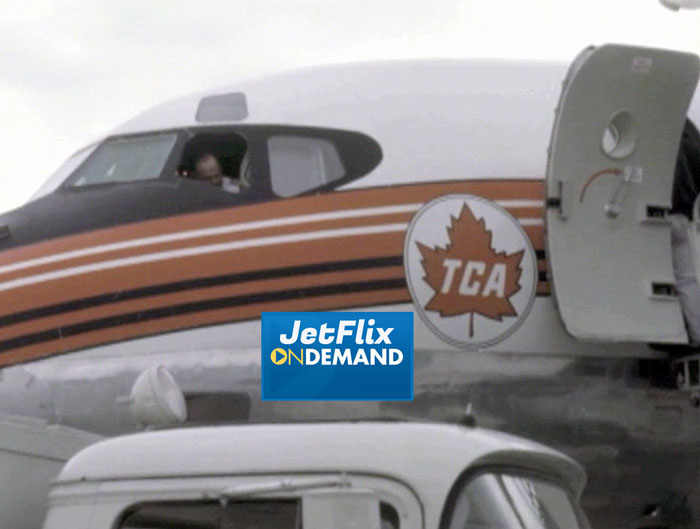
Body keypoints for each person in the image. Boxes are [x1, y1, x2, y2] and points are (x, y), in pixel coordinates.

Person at [670, 119, 700, 343]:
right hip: (684, 215)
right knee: (687, 281)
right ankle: (696, 335)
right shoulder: (690, 131)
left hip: (657, 217)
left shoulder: (654, 133)